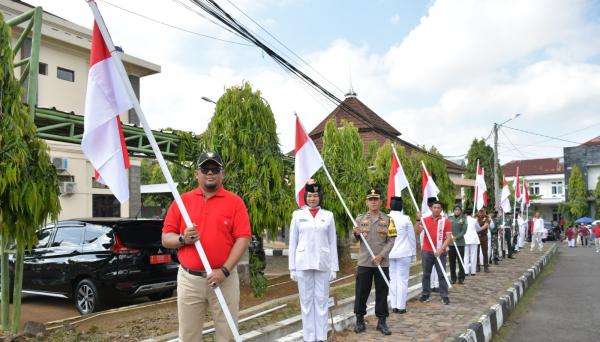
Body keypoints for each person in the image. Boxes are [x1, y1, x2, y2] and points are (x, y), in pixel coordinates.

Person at [161, 152, 251, 342]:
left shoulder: (235, 202)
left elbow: (243, 238)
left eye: (215, 169)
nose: (210, 173)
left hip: (225, 279)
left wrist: (224, 271)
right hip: (189, 280)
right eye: (205, 169)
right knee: (188, 336)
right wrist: (182, 239)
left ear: (222, 174)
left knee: (227, 335)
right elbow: (165, 238)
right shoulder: (182, 201)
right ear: (197, 174)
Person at [288, 180, 338, 342]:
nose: (312, 198)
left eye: (315, 195)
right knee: (306, 302)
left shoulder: (328, 215)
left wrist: (333, 267)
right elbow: (292, 242)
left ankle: (321, 337)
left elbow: (332, 242)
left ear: (320, 197)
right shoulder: (297, 215)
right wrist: (292, 268)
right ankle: (309, 338)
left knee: (322, 301)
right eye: (310, 195)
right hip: (303, 263)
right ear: (305, 196)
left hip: (323, 263)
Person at [353, 189, 394, 336]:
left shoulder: (388, 219)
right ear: (367, 202)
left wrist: (381, 256)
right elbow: (354, 240)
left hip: (381, 263)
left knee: (382, 293)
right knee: (361, 291)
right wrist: (356, 234)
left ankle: (382, 322)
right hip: (364, 262)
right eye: (371, 199)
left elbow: (391, 240)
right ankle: (359, 320)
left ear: (381, 202)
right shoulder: (359, 219)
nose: (373, 202)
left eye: (376, 199)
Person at [418, 200, 453, 305]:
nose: (436, 209)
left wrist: (441, 249)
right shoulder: (424, 220)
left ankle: (444, 296)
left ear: (441, 209)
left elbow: (448, 238)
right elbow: (416, 231)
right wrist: (418, 220)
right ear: (431, 209)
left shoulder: (445, 221)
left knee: (441, 274)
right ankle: (425, 294)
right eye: (434, 207)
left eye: (439, 207)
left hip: (440, 251)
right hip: (427, 251)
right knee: (426, 274)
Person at [387, 196, 417, 314]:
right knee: (402, 280)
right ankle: (401, 307)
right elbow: (411, 238)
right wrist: (414, 255)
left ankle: (394, 305)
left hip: (389, 253)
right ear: (401, 206)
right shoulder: (406, 219)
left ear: (390, 206)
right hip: (404, 253)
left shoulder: (385, 218)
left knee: (392, 280)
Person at [448, 205, 467, 284]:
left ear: (461, 211)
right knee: (451, 261)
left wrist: (456, 237)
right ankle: (453, 278)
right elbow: (447, 229)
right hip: (451, 244)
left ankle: (461, 278)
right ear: (454, 210)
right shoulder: (450, 219)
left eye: (459, 210)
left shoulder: (463, 219)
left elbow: (463, 231)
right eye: (455, 209)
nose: (457, 211)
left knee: (460, 261)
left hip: (460, 243)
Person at [463, 209, 481, 276]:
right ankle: (473, 271)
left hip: (465, 238)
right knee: (473, 255)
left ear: (465, 214)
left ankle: (466, 271)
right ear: (471, 214)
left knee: (466, 255)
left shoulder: (463, 220)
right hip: (473, 239)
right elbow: (478, 228)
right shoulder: (474, 220)